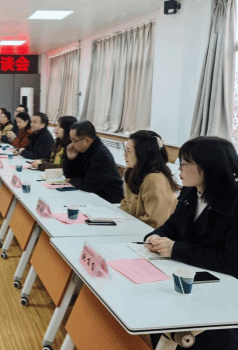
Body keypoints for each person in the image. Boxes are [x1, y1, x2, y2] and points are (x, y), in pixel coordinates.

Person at [145, 136, 238, 349]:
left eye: (185, 163)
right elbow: (172, 225)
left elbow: (233, 263)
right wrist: (155, 236)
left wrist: (175, 249)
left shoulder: (234, 202)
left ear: (208, 167)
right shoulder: (191, 191)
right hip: (185, 280)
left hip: (221, 296)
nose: (179, 168)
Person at [119, 130, 178, 228]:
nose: (124, 155)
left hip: (152, 233)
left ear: (142, 154)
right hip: (135, 227)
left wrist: (127, 225)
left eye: (128, 151)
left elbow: (155, 222)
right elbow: (126, 204)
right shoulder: (130, 171)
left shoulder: (154, 179)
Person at [62, 120, 123, 203]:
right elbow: (69, 176)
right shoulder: (81, 150)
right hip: (90, 195)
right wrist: (70, 159)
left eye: (74, 140)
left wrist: (72, 181)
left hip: (107, 200)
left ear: (87, 140)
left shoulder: (101, 156)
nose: (72, 144)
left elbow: (91, 185)